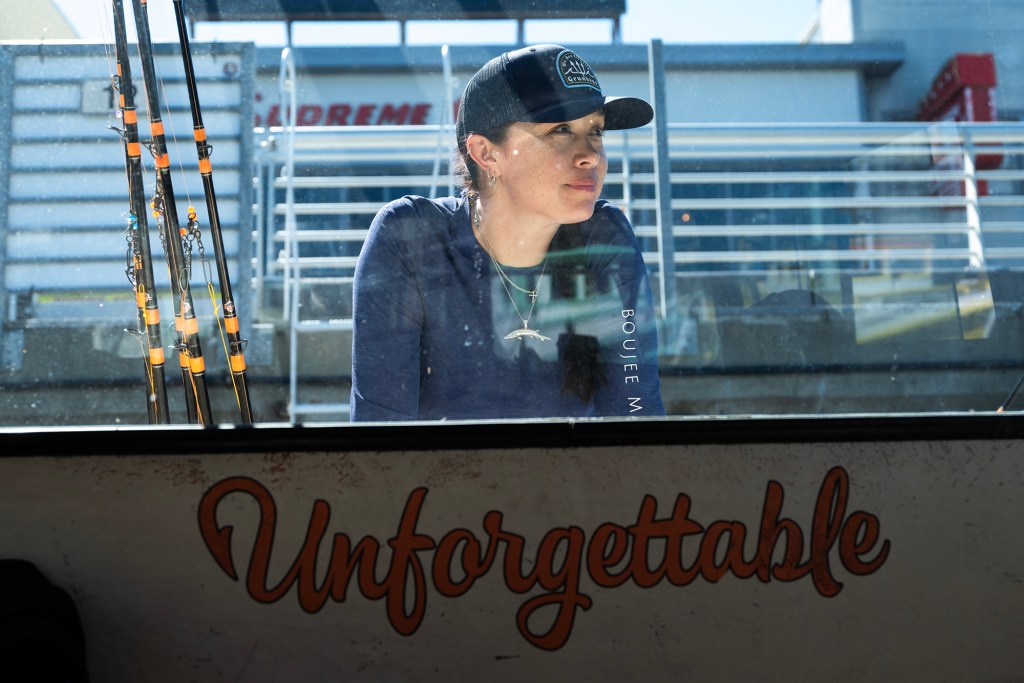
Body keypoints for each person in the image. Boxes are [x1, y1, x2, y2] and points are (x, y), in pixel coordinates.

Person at [350, 44, 664, 421]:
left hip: (571, 480)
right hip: (438, 480)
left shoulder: (604, 238)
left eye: (595, 131)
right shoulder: (411, 239)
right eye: (561, 129)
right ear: (485, 153)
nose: (591, 155)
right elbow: (379, 440)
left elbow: (636, 423)